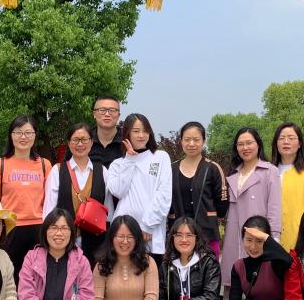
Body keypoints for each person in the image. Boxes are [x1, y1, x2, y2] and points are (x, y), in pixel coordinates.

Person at [0, 114, 52, 277]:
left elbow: (50, 201)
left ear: (35, 135)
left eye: (28, 132)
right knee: (8, 276)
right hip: (10, 228)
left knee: (37, 276)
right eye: (18, 132)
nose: (23, 137)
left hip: (38, 228)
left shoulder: (45, 165)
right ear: (11, 135)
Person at [43, 122, 114, 269]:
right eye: (75, 140)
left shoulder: (102, 171)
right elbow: (49, 210)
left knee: (92, 276)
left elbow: (108, 211)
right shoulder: (58, 171)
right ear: (69, 143)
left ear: (91, 142)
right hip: (63, 240)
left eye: (84, 140)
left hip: (95, 242)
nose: (80, 144)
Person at [106, 113, 172, 265]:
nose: (141, 135)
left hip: (150, 232)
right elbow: (118, 191)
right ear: (127, 134)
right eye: (136, 131)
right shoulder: (117, 164)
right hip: (122, 232)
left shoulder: (160, 157)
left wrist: (148, 226)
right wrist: (129, 161)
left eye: (145, 130)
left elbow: (164, 194)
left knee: (149, 273)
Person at [221, 127, 281, 288]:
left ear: (258, 144)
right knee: (233, 281)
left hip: (258, 235)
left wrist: (274, 238)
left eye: (249, 143)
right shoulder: (233, 174)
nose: (245, 147)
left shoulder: (270, 171)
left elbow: (274, 207)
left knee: (258, 283)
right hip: (233, 235)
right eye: (240, 144)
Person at [169, 121, 229, 259]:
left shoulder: (213, 168)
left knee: (209, 270)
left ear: (204, 141)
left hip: (207, 235)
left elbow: (222, 203)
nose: (191, 144)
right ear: (181, 141)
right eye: (187, 139)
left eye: (196, 139)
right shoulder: (171, 169)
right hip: (178, 236)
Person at [272, 122, 304, 251]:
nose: (286, 142)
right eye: (281, 138)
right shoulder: (269, 170)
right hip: (270, 236)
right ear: (276, 143)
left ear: (299, 143)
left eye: (291, 138)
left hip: (299, 236)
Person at [90, 95, 125, 167]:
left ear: (118, 115)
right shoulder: (84, 139)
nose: (107, 114)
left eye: (112, 110)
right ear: (94, 114)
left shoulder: (127, 140)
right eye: (102, 110)